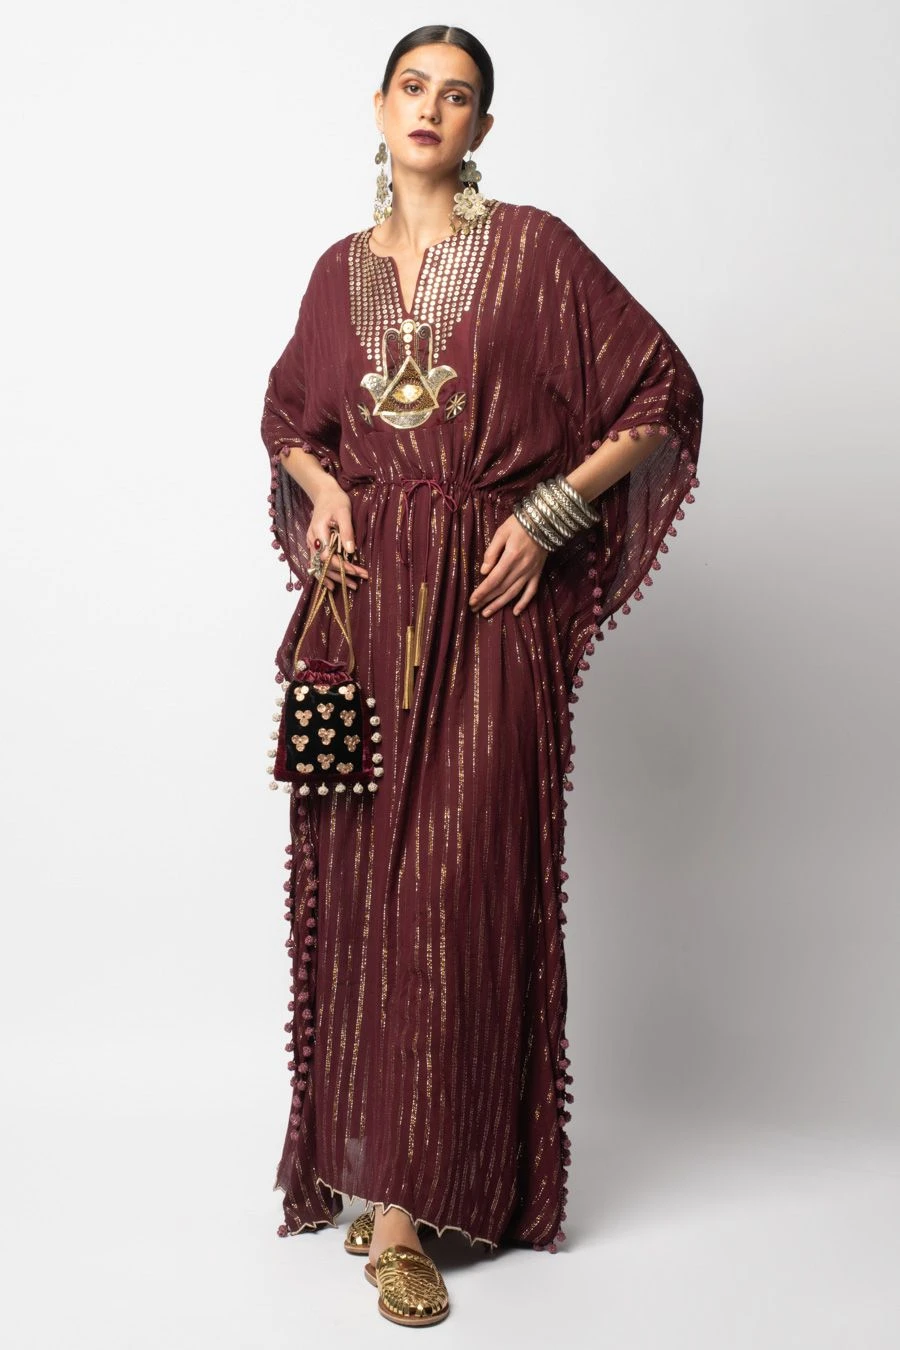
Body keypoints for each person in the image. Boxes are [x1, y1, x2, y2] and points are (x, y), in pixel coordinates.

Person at [259, 23, 703, 1328]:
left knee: (458, 885)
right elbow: (287, 420)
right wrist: (325, 489)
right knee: (365, 886)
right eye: (414, 88)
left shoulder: (536, 254)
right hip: (363, 619)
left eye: (459, 97)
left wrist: (552, 514)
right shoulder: (337, 273)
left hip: (488, 612)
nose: (432, 110)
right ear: (379, 106)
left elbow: (659, 392)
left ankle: (420, 1201)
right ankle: (381, 1172)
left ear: (484, 129)